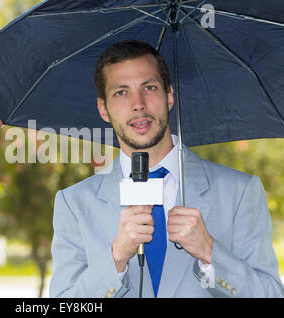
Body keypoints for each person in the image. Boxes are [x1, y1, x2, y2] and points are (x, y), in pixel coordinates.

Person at [49, 40, 284, 298]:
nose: (138, 104)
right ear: (103, 109)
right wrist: (116, 257)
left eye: (149, 87)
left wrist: (209, 252)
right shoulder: (73, 204)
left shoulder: (239, 192)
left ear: (169, 95)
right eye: (121, 92)